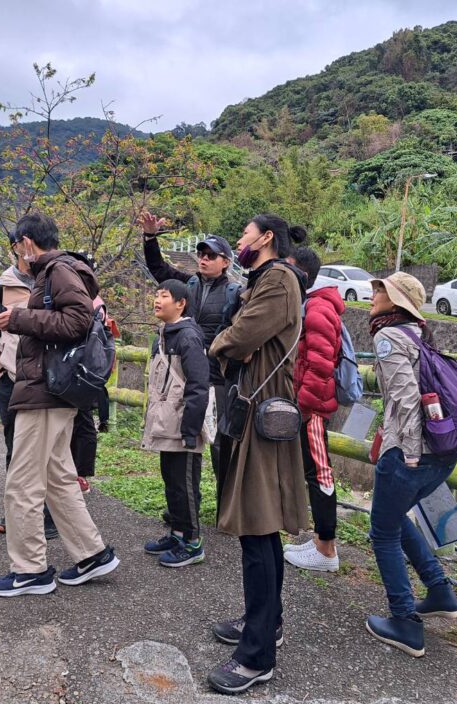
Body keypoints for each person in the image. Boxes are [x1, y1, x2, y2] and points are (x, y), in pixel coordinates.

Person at [0, 214, 119, 597]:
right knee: (58, 478)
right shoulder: (57, 270)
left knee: (23, 483)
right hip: (53, 392)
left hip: (45, 392)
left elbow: (77, 321)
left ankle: (30, 570)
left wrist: (19, 318)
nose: (18, 255)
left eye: (16, 247)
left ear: (26, 242)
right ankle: (93, 554)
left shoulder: (58, 271)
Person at [206, 214, 309, 696]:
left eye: (244, 234)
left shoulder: (278, 279)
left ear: (265, 238)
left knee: (256, 527)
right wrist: (234, 344)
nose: (240, 242)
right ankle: (265, 624)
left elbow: (239, 336)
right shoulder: (269, 279)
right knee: (260, 529)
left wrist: (224, 343)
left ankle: (256, 658)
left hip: (262, 417)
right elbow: (241, 338)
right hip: (257, 409)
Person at [365, 272, 457, 658]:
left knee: (382, 532)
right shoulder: (421, 335)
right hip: (442, 452)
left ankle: (405, 621)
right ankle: (439, 591)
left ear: (396, 302)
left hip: (411, 453)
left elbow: (407, 400)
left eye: (381, 291)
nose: (374, 295)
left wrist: (407, 452)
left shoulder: (389, 337)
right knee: (395, 518)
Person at [139, 211, 240, 495]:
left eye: (211, 255)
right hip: (188, 373)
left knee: (221, 441)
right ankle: (187, 503)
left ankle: (225, 505)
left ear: (226, 262)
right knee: (186, 439)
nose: (204, 259)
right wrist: (150, 237)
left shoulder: (235, 292)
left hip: (219, 376)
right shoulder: (190, 285)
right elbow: (159, 270)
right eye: (201, 254)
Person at [0, 232, 58, 539]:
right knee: (15, 449)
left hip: (47, 379)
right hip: (12, 380)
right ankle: (17, 513)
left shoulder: (53, 280)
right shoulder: (0, 288)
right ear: (18, 247)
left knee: (50, 452)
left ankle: (48, 515)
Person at [141, 280, 210, 567]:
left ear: (180, 303)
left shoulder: (188, 337)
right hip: (167, 423)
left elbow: (198, 386)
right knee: (171, 481)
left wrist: (190, 429)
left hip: (184, 425)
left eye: (164, 296)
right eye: (156, 295)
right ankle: (178, 533)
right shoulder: (163, 336)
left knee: (185, 485)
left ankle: (193, 543)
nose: (157, 300)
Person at [283, 247, 343, 573]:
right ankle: (321, 538)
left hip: (313, 407)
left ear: (302, 274)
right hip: (310, 405)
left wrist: (304, 405)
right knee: (313, 471)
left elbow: (320, 364)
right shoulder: (313, 305)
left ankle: (326, 548)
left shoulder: (318, 309)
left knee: (320, 472)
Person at [68, 294, 116, 494]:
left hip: (84, 370)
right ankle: (75, 473)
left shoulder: (94, 302)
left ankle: (80, 474)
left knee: (83, 422)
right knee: (77, 422)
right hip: (75, 368)